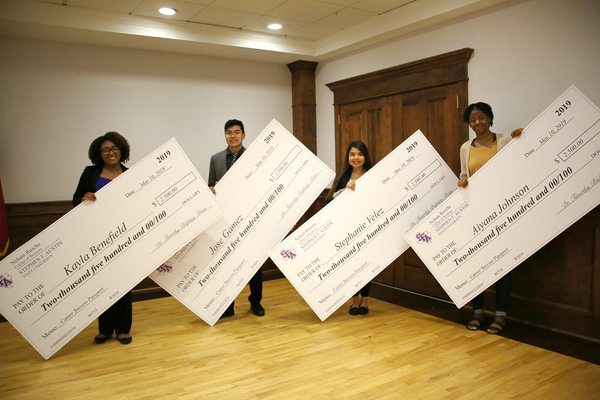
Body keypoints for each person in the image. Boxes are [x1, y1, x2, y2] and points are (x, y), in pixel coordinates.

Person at [459, 102, 522, 335]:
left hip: (502, 210)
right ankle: (477, 312)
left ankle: (500, 315)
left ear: (489, 118)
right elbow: (464, 174)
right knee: (478, 264)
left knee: (503, 263)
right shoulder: (465, 147)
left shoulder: (504, 140)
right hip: (476, 213)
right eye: (473, 120)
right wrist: (462, 180)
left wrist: (523, 137)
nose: (477, 123)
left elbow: (520, 163)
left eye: (481, 118)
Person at [72, 131, 133, 345]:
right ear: (99, 153)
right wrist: (83, 198)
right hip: (97, 236)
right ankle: (105, 329)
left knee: (124, 282)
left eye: (114, 148)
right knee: (102, 282)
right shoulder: (90, 173)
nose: (110, 152)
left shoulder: (130, 174)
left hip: (124, 235)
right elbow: (75, 198)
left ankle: (123, 329)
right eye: (105, 150)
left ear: (121, 151)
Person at [208, 119, 265, 318]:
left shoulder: (254, 157)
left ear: (244, 135)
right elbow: (210, 186)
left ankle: (255, 302)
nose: (233, 136)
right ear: (225, 135)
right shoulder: (215, 159)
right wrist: (211, 189)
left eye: (237, 132)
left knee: (254, 263)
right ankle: (227, 305)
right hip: (227, 220)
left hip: (251, 217)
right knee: (227, 264)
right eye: (229, 132)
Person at [327, 141, 373, 315]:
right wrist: (343, 191)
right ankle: (354, 301)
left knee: (367, 264)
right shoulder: (343, 176)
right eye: (352, 154)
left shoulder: (373, 174)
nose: (356, 158)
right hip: (347, 227)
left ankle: (365, 300)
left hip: (368, 226)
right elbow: (330, 198)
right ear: (348, 156)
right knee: (351, 265)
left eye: (360, 154)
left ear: (365, 157)